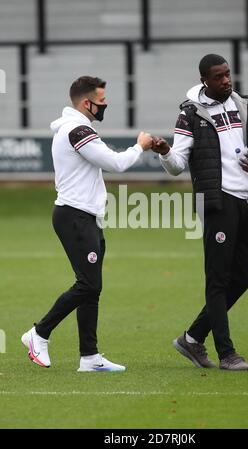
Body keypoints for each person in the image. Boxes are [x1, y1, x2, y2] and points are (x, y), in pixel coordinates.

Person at [21, 76, 153, 372]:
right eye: (101, 101)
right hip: (75, 216)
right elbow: (115, 163)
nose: (105, 105)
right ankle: (38, 333)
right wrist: (140, 146)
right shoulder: (78, 129)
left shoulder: (77, 128)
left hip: (85, 216)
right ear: (86, 103)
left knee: (93, 287)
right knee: (88, 284)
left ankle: (90, 358)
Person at [152, 54, 248, 371]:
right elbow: (177, 165)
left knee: (242, 278)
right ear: (204, 80)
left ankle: (192, 338)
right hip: (216, 201)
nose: (226, 81)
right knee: (217, 280)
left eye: (228, 74)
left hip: (247, 199)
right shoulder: (190, 115)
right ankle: (227, 353)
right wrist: (165, 152)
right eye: (219, 77)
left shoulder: (245, 106)